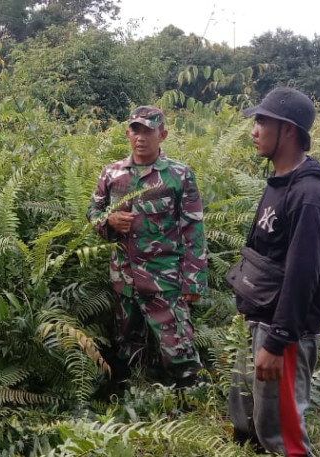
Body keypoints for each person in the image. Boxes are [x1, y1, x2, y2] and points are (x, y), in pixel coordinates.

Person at [228, 87, 320, 456]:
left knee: (284, 439)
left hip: (284, 334)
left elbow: (302, 274)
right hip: (260, 319)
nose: (254, 130)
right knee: (249, 423)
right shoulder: (281, 182)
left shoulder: (310, 193)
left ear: (289, 131)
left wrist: (278, 341)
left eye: (262, 121)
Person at [87, 106, 208, 387]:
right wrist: (109, 220)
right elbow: (92, 214)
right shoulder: (112, 174)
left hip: (164, 279)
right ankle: (128, 402)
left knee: (180, 351)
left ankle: (192, 405)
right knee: (126, 349)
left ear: (162, 134)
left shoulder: (179, 176)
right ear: (128, 134)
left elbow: (194, 229)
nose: (141, 137)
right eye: (135, 130)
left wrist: (194, 281)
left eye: (148, 130)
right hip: (124, 278)